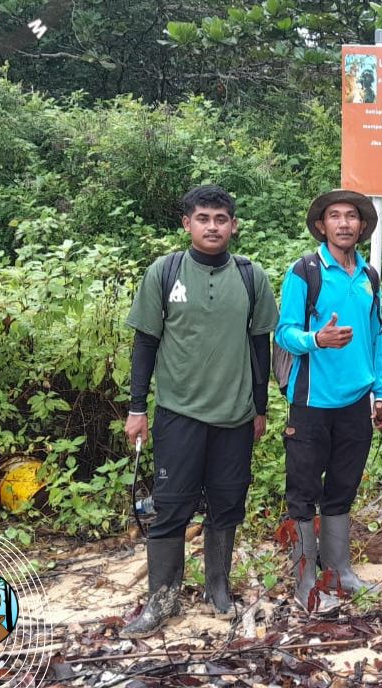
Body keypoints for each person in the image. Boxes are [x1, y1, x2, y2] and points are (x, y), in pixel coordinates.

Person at [121, 185, 279, 637]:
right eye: (204, 218)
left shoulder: (252, 276)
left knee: (227, 505)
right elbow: (145, 343)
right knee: (171, 508)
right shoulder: (165, 272)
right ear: (187, 224)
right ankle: (162, 601)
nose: (213, 226)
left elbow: (259, 346)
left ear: (233, 225)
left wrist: (260, 407)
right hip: (178, 413)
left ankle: (218, 589)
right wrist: (137, 409)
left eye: (221, 218)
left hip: (235, 415)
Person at [277, 190, 382, 608]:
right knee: (304, 490)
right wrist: (316, 339)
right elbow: (284, 332)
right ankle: (305, 579)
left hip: (356, 401)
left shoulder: (368, 276)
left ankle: (340, 571)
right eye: (334, 216)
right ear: (322, 226)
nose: (344, 223)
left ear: (362, 226)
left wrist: (381, 391)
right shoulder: (304, 271)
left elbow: (376, 338)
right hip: (311, 400)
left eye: (351, 217)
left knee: (342, 487)